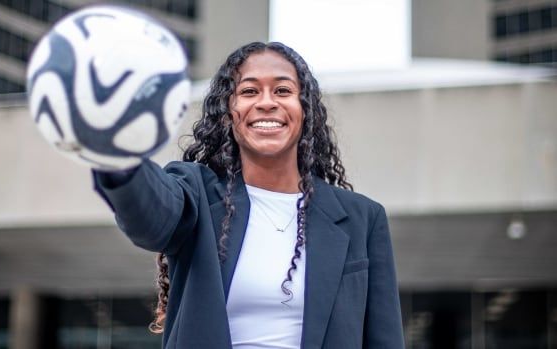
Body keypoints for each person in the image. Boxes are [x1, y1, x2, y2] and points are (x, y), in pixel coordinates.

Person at [93, 42, 404, 349]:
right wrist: (120, 157)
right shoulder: (197, 194)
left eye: (282, 91)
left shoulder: (362, 218)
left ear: (305, 109)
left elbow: (384, 338)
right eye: (249, 91)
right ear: (229, 112)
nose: (266, 102)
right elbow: (149, 216)